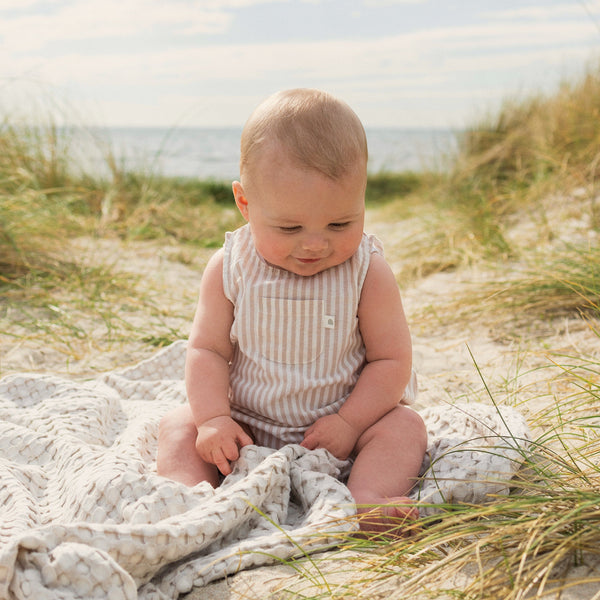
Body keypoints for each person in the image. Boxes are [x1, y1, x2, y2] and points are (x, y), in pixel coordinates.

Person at [156, 88, 427, 534]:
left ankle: (368, 496)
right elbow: (205, 350)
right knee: (179, 425)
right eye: (290, 227)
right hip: (245, 428)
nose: (316, 243)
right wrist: (213, 419)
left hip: (346, 430)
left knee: (404, 426)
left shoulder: (367, 270)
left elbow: (391, 360)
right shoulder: (231, 266)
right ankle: (185, 498)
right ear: (245, 203)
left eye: (341, 223)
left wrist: (350, 421)